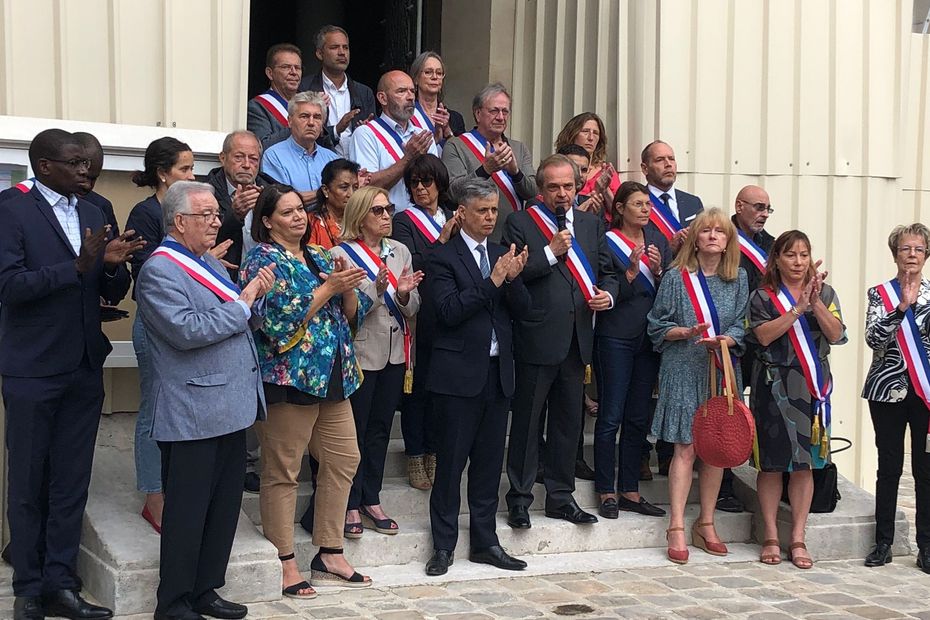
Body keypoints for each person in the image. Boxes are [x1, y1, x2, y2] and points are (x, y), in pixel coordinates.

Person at [0, 129, 137, 620]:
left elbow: (109, 288)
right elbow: (10, 287)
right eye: (75, 162)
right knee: (29, 480)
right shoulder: (11, 209)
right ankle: (29, 588)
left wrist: (114, 267)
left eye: (88, 162)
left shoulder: (95, 209)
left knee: (71, 482)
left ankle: (62, 583)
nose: (86, 169)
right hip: (32, 368)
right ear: (43, 165)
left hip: (82, 365)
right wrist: (76, 267)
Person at [135, 181, 273, 620]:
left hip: (229, 406)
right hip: (193, 410)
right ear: (180, 222)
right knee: (188, 514)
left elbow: (233, 316)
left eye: (217, 214)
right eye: (208, 215)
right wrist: (245, 301)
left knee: (222, 509)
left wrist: (254, 298)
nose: (217, 221)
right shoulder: (160, 269)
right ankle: (173, 601)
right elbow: (187, 330)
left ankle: (205, 589)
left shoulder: (204, 263)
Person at [240, 184, 373, 597]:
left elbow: (353, 314)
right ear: (267, 221)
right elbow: (278, 323)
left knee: (344, 458)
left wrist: (347, 286)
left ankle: (329, 550)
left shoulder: (319, 254)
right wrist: (329, 288)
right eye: (286, 212)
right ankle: (284, 560)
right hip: (288, 379)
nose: (298, 217)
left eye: (301, 210)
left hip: (334, 376)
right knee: (283, 470)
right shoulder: (262, 261)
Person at [502, 154, 619, 529]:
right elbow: (513, 278)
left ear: (578, 187)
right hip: (536, 338)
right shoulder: (520, 222)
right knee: (527, 423)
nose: (562, 194)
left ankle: (560, 496)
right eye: (553, 187)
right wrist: (550, 252)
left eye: (568, 186)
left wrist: (609, 296)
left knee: (569, 423)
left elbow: (609, 271)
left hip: (577, 339)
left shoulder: (590, 223)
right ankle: (519, 498)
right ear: (541, 189)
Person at [424, 178, 533, 577]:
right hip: (457, 377)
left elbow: (523, 311)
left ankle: (486, 542)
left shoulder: (502, 254)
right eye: (483, 211)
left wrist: (514, 277)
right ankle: (443, 546)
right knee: (451, 466)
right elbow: (450, 311)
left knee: (488, 466)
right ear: (462, 213)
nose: (491, 218)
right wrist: (494, 281)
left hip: (497, 373)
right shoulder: (442, 257)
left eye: (494, 211)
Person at [646, 207, 748, 565]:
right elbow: (656, 325)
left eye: (720, 232)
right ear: (696, 238)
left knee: (715, 449)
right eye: (706, 231)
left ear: (728, 241)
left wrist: (726, 339)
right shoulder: (676, 277)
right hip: (682, 367)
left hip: (718, 369)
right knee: (686, 448)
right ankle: (675, 525)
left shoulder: (738, 278)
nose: (713, 236)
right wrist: (685, 333)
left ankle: (706, 523)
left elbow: (742, 326)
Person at [331, 186, 424, 538]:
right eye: (378, 211)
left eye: (389, 209)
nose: (387, 216)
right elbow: (344, 312)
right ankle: (350, 502)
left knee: (381, 429)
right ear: (360, 216)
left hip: (395, 352)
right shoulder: (342, 253)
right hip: (361, 351)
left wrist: (401, 294)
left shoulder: (399, 251)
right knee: (353, 431)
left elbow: (413, 305)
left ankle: (372, 496)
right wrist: (375, 289)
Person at [749, 230, 844, 569]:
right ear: (777, 259)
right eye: (791, 255)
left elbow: (836, 334)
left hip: (812, 388)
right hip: (773, 385)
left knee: (805, 464)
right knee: (772, 464)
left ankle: (798, 537)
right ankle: (772, 535)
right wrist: (796, 309)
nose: (798, 261)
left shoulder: (826, 293)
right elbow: (762, 335)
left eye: (804, 255)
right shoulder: (763, 296)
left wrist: (814, 302)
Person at [126, 137, 196, 534]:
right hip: (154, 322)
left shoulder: (191, 209)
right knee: (153, 406)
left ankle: (174, 488)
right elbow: (146, 265)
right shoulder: (145, 211)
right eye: (184, 169)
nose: (191, 175)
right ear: (162, 173)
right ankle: (154, 496)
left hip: (187, 321)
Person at [594, 181, 670, 519]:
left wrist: (657, 271)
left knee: (638, 416)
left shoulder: (657, 242)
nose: (645, 209)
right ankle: (606, 490)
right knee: (611, 414)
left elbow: (668, 291)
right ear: (620, 208)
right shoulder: (607, 242)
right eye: (637, 204)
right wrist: (629, 273)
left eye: (648, 205)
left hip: (648, 339)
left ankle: (629, 489)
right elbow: (605, 285)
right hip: (616, 336)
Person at [862, 223, 930, 574]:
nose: (912, 255)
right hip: (887, 391)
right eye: (905, 249)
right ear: (895, 254)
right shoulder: (880, 294)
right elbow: (873, 339)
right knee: (889, 467)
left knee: (925, 469)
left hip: (926, 394)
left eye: (918, 249)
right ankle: (883, 542)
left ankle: (926, 546)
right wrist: (901, 308)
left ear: (926, 254)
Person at [391, 154, 461, 489]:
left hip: (450, 312)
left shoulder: (453, 215)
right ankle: (415, 454)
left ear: (440, 183)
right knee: (417, 390)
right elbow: (412, 264)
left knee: (442, 389)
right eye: (414, 183)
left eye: (426, 182)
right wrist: (442, 242)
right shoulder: (404, 221)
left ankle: (435, 449)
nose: (420, 188)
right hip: (418, 314)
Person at [442, 83, 536, 242]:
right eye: (494, 111)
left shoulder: (519, 148)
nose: (500, 117)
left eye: (505, 111)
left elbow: (533, 192)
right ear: (478, 114)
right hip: (474, 240)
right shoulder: (457, 145)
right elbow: (452, 193)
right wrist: (485, 170)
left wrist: (515, 173)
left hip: (514, 239)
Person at [350, 70, 438, 212]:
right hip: (387, 222)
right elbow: (366, 188)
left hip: (423, 222)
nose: (410, 97)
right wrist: (408, 158)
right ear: (382, 98)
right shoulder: (366, 133)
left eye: (412, 91)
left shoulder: (423, 135)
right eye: (401, 91)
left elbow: (437, 182)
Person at [299, 25, 376, 156]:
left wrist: (366, 129)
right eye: (334, 47)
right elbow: (298, 133)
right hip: (318, 161)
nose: (342, 52)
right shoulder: (305, 88)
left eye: (345, 47)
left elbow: (374, 136)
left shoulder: (364, 92)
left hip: (359, 165)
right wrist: (336, 130)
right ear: (319, 53)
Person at [211, 130, 273, 280]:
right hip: (224, 278)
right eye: (238, 157)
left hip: (268, 279)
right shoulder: (207, 194)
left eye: (253, 159)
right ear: (223, 158)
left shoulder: (272, 191)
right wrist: (235, 216)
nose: (246, 165)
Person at [261, 91, 340, 206]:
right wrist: (327, 193)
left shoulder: (332, 159)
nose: (311, 123)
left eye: (317, 117)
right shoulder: (274, 156)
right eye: (304, 116)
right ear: (290, 121)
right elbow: (283, 201)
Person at [640, 140, 704, 253]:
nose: (668, 164)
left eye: (671, 159)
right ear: (645, 168)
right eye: (660, 160)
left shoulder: (693, 202)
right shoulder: (638, 203)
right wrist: (669, 249)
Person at [247, 43, 304, 150]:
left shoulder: (310, 105)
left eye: (297, 68)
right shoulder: (257, 107)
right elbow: (262, 147)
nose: (294, 72)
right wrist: (297, 126)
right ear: (270, 73)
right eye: (286, 67)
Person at [554, 112, 618, 204]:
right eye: (585, 131)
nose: (591, 138)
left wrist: (605, 189)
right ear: (572, 134)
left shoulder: (607, 171)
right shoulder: (556, 167)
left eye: (596, 133)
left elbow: (618, 212)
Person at [409, 51, 466, 148]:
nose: (435, 77)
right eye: (428, 72)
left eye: (439, 73)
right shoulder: (407, 115)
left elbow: (463, 158)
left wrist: (448, 132)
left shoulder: (455, 118)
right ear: (416, 79)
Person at [308, 158, 361, 249]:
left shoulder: (363, 220)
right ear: (325, 190)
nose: (351, 194)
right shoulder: (311, 223)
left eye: (355, 187)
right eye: (344, 187)